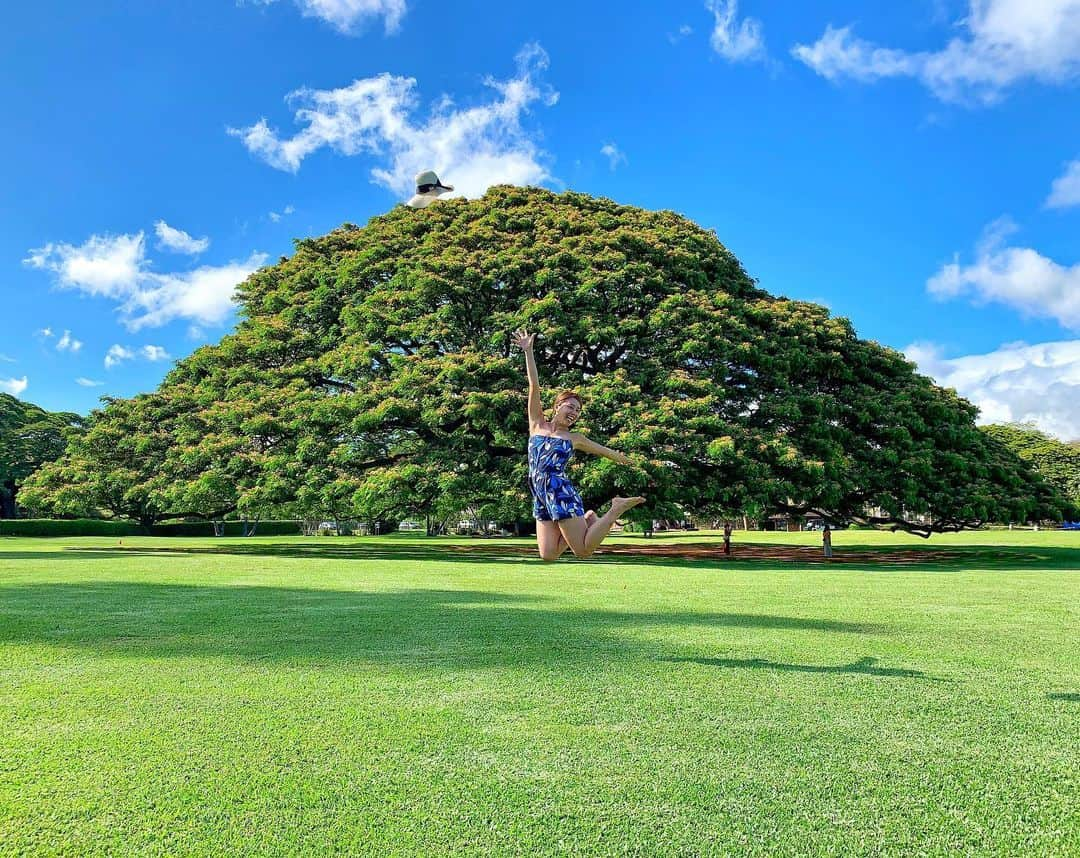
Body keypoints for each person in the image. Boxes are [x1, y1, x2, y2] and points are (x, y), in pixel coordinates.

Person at [512, 328, 645, 561]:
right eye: (570, 407)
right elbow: (534, 386)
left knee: (583, 550)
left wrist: (632, 462)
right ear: (557, 406)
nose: (574, 412)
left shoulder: (576, 439)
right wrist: (528, 351)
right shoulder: (537, 425)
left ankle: (615, 508)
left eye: (578, 410)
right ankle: (588, 518)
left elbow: (606, 452)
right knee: (548, 555)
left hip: (560, 492)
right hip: (540, 494)